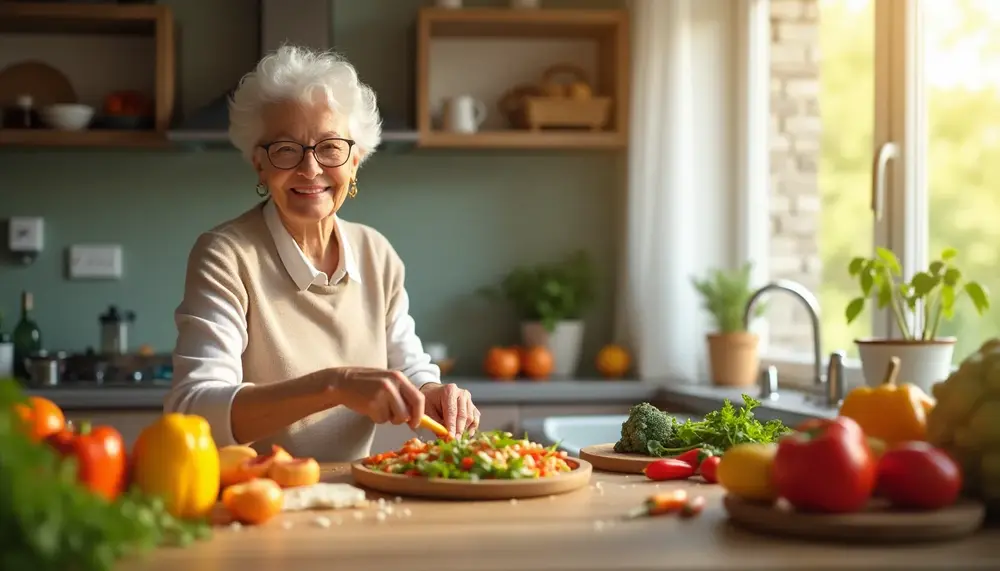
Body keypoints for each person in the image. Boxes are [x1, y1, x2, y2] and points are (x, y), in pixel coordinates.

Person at [164, 45, 479, 462]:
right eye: (286, 149)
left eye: (330, 148)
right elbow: (193, 410)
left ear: (355, 162)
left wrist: (433, 391)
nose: (310, 169)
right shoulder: (226, 256)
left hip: (348, 499)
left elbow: (408, 363)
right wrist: (334, 386)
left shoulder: (376, 254)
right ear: (260, 164)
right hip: (256, 500)